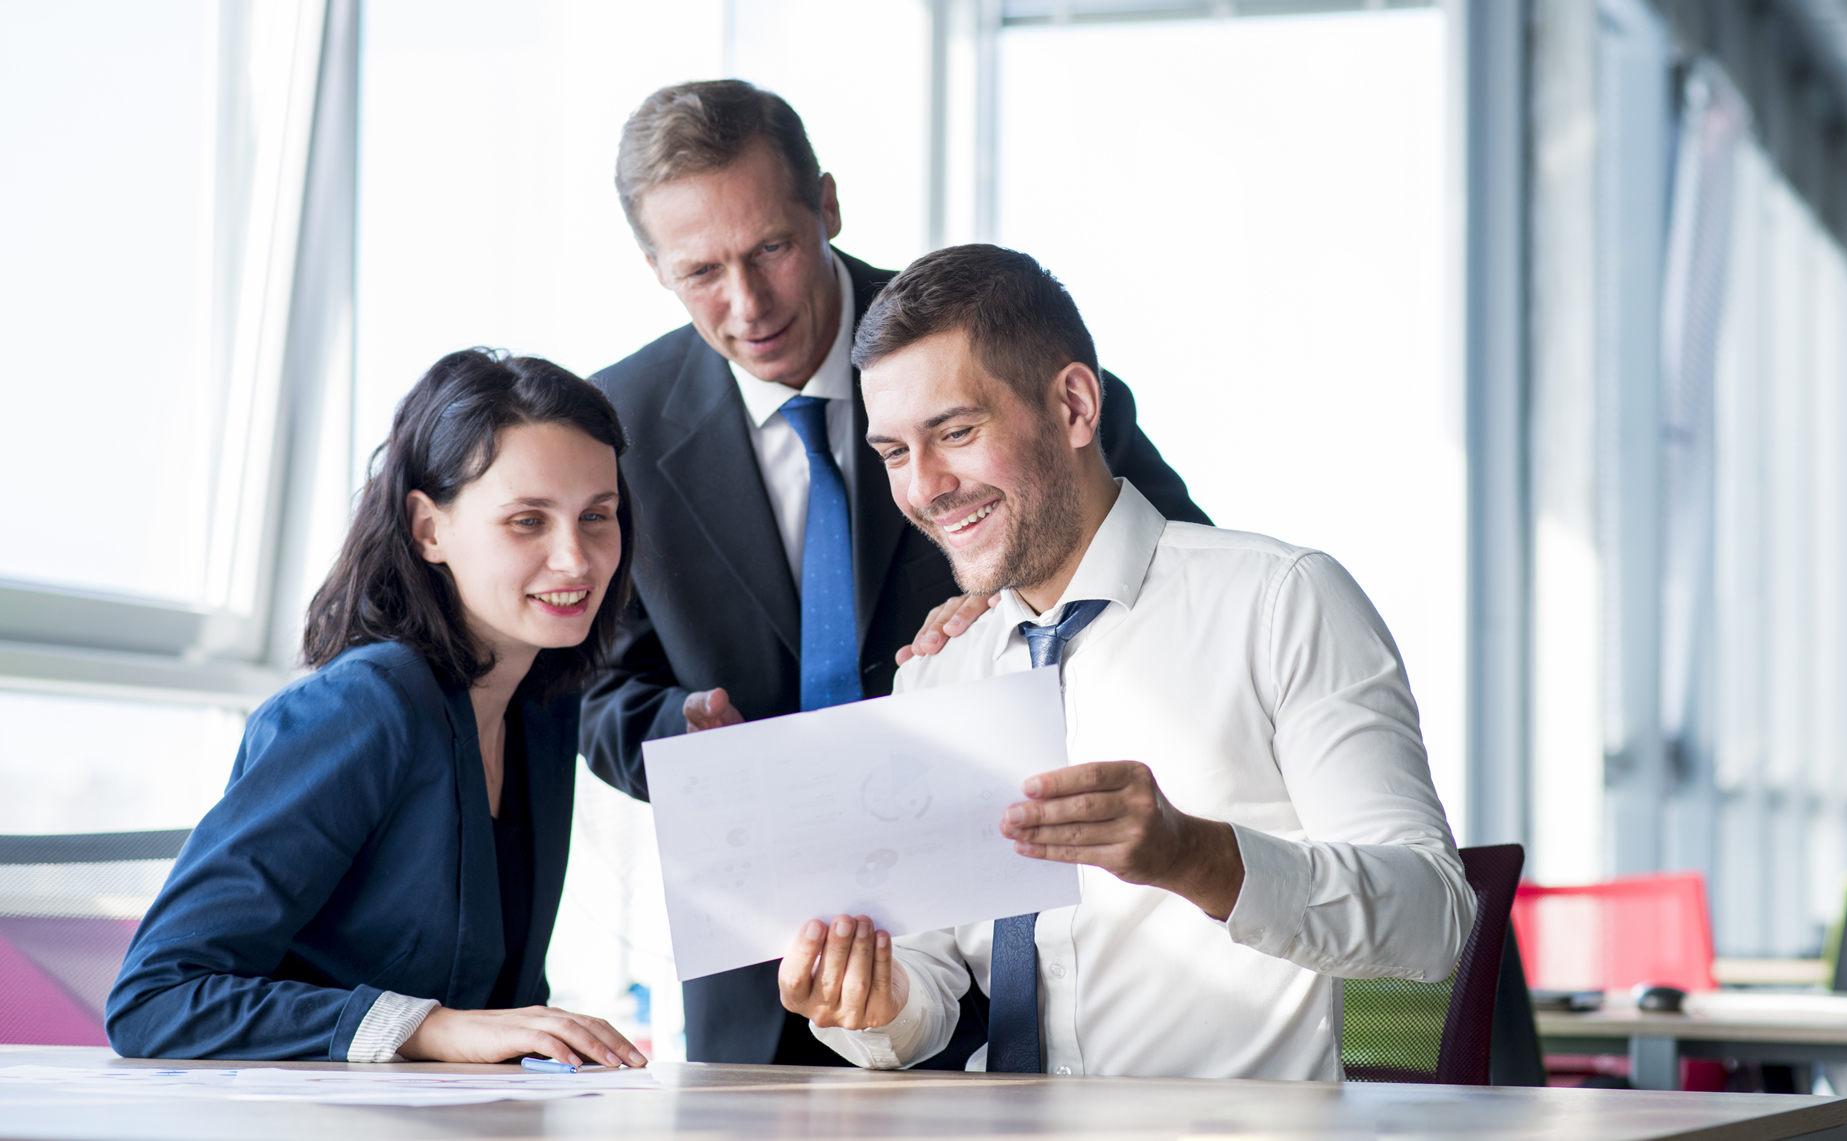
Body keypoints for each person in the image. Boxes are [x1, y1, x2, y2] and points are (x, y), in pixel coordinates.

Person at [581, 79, 1210, 1067]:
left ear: (825, 205)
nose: (746, 305)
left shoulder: (988, 346)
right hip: (763, 969)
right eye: (700, 270)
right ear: (654, 269)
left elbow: (1176, 580)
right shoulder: (611, 425)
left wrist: (1020, 596)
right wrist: (684, 730)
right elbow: (597, 690)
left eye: (772, 250)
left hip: (1014, 934)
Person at [772, 245, 1474, 1081]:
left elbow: (1435, 919)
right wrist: (873, 1002)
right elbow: (930, 988)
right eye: (893, 453)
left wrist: (1202, 858)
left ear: (1073, 406)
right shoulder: (939, 668)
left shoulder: (1280, 602)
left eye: (956, 432)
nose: (924, 487)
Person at [106, 350, 649, 1067]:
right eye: (527, 521)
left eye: (596, 516)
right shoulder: (366, 704)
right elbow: (153, 998)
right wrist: (430, 1028)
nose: (576, 559)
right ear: (428, 528)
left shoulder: (543, 709)